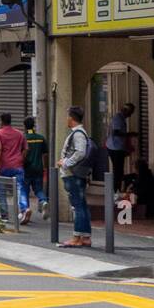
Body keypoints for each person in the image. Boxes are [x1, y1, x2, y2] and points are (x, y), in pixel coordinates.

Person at [58, 105, 92, 248]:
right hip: (75, 174)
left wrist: (65, 162)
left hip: (73, 174)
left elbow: (80, 152)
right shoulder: (78, 133)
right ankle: (85, 237)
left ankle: (77, 237)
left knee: (77, 206)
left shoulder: (77, 134)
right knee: (81, 205)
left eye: (67, 116)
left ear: (71, 118)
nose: (66, 119)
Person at [0, 112, 27, 223]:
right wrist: (21, 158)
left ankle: (4, 215)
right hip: (18, 165)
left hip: (4, 166)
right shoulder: (20, 133)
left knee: (1, 191)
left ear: (1, 121)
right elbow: (26, 149)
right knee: (20, 188)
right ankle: (23, 210)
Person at [20, 116, 49, 221]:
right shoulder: (41, 138)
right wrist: (45, 167)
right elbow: (45, 154)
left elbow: (21, 154)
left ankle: (26, 210)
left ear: (24, 126)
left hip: (26, 169)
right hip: (38, 168)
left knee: (24, 190)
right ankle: (44, 201)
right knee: (38, 189)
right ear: (34, 125)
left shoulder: (23, 138)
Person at [107, 101, 135, 185]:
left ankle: (118, 188)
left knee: (119, 170)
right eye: (130, 113)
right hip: (115, 148)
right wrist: (129, 134)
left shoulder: (120, 118)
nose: (130, 116)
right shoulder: (118, 118)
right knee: (118, 170)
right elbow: (116, 133)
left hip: (116, 147)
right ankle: (116, 189)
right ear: (125, 110)